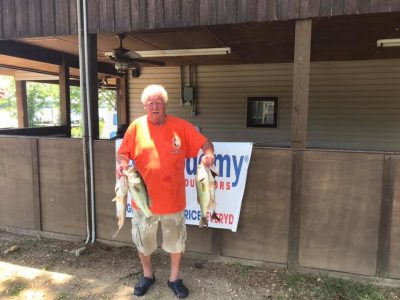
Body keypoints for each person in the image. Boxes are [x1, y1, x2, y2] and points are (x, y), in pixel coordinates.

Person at [116, 84, 215, 298]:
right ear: (144, 106)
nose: (154, 107)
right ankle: (147, 275)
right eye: (150, 103)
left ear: (165, 105)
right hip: (143, 203)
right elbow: (123, 154)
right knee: (143, 242)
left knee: (176, 243)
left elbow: (205, 142)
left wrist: (209, 154)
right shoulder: (135, 127)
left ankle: (174, 278)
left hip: (173, 201)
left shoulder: (181, 126)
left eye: (158, 103)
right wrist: (122, 164)